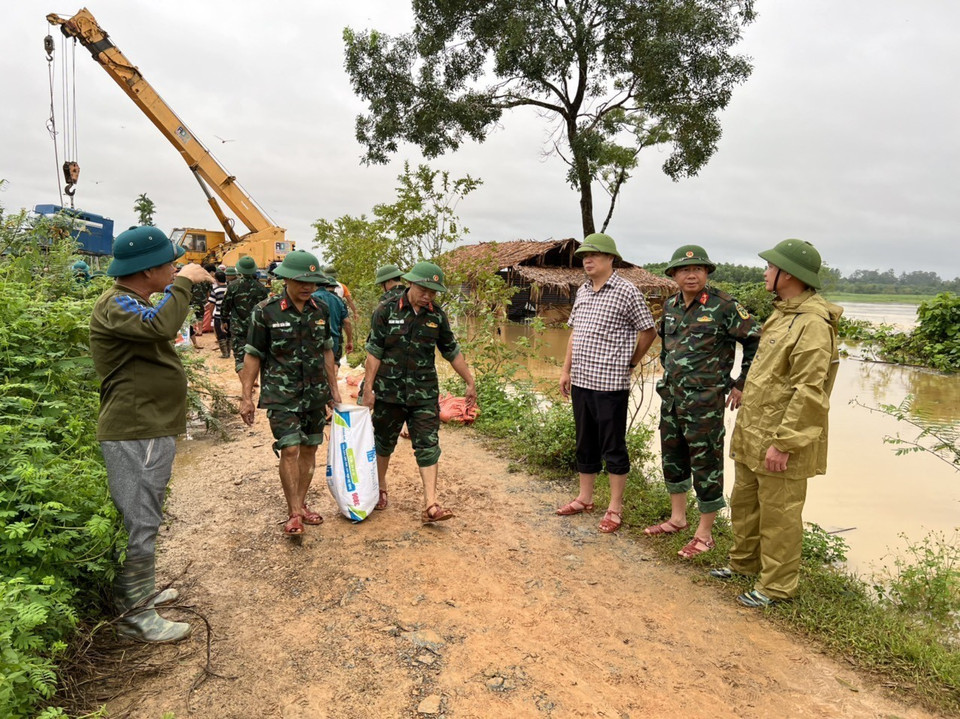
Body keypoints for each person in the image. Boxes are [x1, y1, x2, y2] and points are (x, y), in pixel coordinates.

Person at [89, 225, 211, 642]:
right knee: (140, 518)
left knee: (147, 513)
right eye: (170, 264)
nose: (177, 267)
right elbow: (159, 328)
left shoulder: (130, 301)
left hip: (148, 426)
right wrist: (183, 285)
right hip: (134, 428)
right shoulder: (116, 304)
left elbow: (157, 324)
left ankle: (140, 593)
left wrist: (174, 287)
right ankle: (135, 616)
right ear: (148, 270)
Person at [711, 239, 842, 607]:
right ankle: (744, 564)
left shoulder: (813, 324)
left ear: (791, 275)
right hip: (755, 430)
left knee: (780, 515)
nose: (765, 272)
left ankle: (777, 586)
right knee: (745, 502)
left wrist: (785, 443)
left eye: (771, 267)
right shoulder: (783, 314)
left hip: (781, 438)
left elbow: (810, 390)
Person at [643, 245, 760, 558]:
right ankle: (677, 518)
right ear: (673, 275)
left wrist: (740, 383)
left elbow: (755, 341)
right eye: (683, 270)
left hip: (705, 401)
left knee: (706, 463)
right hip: (672, 398)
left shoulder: (724, 306)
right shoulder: (670, 306)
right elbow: (666, 347)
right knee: (673, 456)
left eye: (697, 269)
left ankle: (705, 534)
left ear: (707, 273)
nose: (690, 274)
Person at [557, 233, 657, 533]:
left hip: (611, 383)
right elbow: (575, 333)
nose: (588, 260)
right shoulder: (584, 291)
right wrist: (566, 370)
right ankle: (585, 498)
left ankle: (614, 507)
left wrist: (630, 363)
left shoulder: (627, 292)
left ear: (611, 259)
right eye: (585, 255)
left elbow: (648, 331)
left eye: (595, 255)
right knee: (584, 441)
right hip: (583, 380)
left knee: (613, 445)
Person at [361, 261, 476, 521]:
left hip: (423, 393)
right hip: (388, 392)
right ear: (411, 282)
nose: (428, 296)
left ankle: (431, 504)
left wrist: (470, 381)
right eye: (424, 290)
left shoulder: (437, 315)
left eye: (433, 292)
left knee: (428, 445)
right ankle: (380, 488)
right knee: (383, 442)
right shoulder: (385, 310)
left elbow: (451, 351)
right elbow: (374, 352)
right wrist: (368, 389)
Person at [239, 250, 342, 537]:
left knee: (310, 448)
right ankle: (294, 512)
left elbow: (327, 351)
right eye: (301, 281)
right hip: (280, 394)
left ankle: (302, 503)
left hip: (314, 394)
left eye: (313, 281)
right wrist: (246, 396)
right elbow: (253, 354)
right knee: (290, 448)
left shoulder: (320, 309)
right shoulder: (265, 311)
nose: (308, 287)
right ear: (285, 280)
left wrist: (334, 392)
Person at [220, 255, 269, 374]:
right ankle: (255, 380)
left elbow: (226, 305)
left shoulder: (233, 286)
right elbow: (265, 308)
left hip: (238, 327)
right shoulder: (261, 288)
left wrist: (223, 320)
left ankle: (247, 387)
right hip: (256, 327)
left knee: (240, 358)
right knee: (255, 353)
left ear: (239, 269)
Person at [311, 274, 353, 369]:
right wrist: (350, 340)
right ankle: (333, 383)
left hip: (315, 340)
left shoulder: (311, 298)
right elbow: (347, 322)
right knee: (334, 363)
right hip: (334, 339)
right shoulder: (338, 300)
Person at [208, 270, 230, 357]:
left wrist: (211, 315)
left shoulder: (215, 290)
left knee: (220, 335)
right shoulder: (230, 289)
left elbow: (211, 304)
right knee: (229, 334)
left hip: (218, 315)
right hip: (230, 315)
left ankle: (225, 353)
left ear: (216, 280)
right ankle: (229, 351)